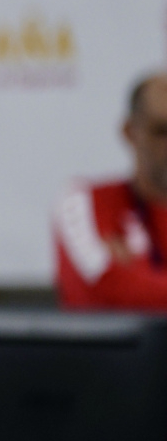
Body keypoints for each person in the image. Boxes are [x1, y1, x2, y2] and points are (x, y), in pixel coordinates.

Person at [54, 72, 167, 309]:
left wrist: (136, 274)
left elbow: (126, 290)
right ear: (129, 131)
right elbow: (99, 292)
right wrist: (127, 284)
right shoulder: (86, 201)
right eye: (161, 131)